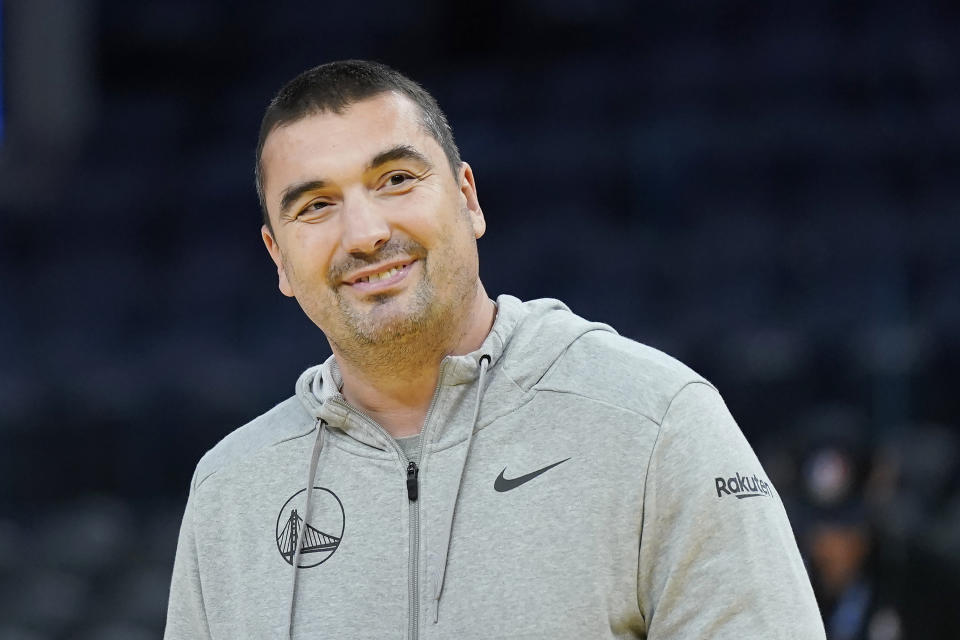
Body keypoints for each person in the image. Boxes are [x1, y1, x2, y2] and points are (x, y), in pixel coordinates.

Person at [164, 60, 826, 639]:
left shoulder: (655, 422)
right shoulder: (231, 490)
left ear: (467, 198)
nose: (365, 233)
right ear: (278, 259)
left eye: (395, 179)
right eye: (315, 206)